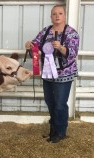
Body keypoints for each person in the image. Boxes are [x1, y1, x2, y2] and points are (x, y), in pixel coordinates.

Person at [25, 5, 79, 143]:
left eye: (60, 13)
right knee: (50, 102)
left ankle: (60, 132)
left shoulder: (72, 33)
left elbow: (72, 54)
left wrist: (61, 48)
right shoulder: (46, 31)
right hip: (48, 72)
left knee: (60, 104)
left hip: (64, 73)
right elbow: (35, 47)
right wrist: (30, 46)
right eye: (54, 14)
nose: (57, 16)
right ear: (51, 16)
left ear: (65, 15)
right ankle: (53, 130)